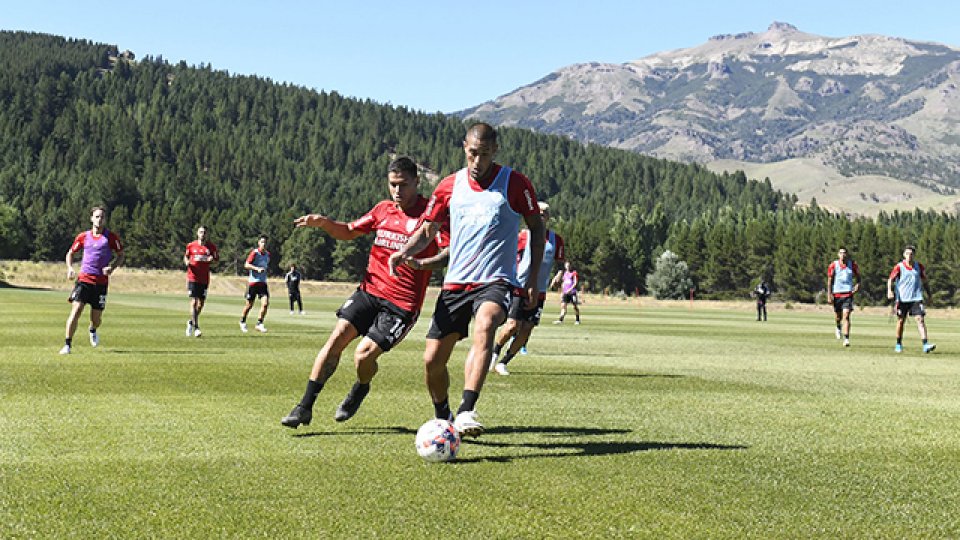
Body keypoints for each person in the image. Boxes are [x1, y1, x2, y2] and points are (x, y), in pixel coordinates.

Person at [390, 122, 544, 437]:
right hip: (456, 283)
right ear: (464, 147)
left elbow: (537, 230)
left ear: (495, 151)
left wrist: (530, 279)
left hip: (495, 280)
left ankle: (466, 409)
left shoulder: (514, 183)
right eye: (473, 153)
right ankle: (444, 415)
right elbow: (426, 231)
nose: (477, 162)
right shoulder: (448, 186)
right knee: (432, 361)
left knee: (486, 323)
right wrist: (403, 252)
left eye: (484, 155)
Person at [282, 157, 448, 429]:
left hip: (401, 304)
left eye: (403, 185)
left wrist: (421, 264)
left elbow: (446, 254)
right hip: (369, 292)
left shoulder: (430, 217)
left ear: (417, 182)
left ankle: (361, 386)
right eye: (392, 185)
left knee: (362, 356)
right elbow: (348, 232)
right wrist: (324, 223)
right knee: (336, 339)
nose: (397, 191)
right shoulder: (383, 210)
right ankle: (304, 407)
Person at [490, 201, 564, 376]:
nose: (541, 215)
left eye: (544, 213)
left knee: (527, 328)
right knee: (512, 326)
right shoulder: (524, 235)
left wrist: (559, 275)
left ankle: (504, 362)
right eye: (537, 212)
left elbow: (561, 263)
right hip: (519, 286)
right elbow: (507, 254)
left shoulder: (556, 240)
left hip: (539, 291)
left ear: (548, 217)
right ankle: (494, 353)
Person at [60, 206, 124, 354]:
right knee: (76, 311)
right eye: (96, 216)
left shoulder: (111, 238)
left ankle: (93, 329)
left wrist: (112, 268)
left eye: (102, 217)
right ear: (91, 218)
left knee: (96, 319)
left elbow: (121, 255)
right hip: (84, 280)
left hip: (100, 284)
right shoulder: (83, 237)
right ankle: (67, 345)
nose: (99, 219)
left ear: (105, 219)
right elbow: (70, 253)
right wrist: (70, 268)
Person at [887, 245, 936, 353]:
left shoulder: (919, 267)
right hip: (902, 299)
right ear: (904, 255)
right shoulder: (899, 267)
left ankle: (925, 344)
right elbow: (890, 279)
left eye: (911, 254)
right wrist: (889, 291)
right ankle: (898, 344)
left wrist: (929, 295)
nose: (909, 256)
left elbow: (925, 281)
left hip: (916, 298)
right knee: (901, 321)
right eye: (907, 253)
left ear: (914, 255)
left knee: (920, 319)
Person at [184, 225, 219, 337]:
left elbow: (216, 260)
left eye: (204, 232)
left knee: (201, 304)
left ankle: (191, 322)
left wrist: (212, 260)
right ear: (197, 233)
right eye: (200, 232)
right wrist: (187, 262)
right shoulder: (191, 246)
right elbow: (186, 256)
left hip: (204, 279)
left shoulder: (211, 247)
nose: (202, 234)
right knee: (194, 302)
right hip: (193, 277)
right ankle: (196, 327)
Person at [826, 247, 860, 346]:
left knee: (846, 315)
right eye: (841, 253)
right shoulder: (834, 265)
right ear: (838, 254)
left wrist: (857, 285)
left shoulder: (852, 265)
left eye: (844, 253)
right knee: (838, 316)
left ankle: (846, 338)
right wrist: (829, 294)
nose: (843, 255)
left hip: (848, 294)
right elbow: (829, 280)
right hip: (837, 294)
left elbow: (858, 277)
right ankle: (838, 327)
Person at [240, 235, 271, 333]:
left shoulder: (267, 255)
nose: (264, 244)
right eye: (262, 242)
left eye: (265, 242)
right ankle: (242, 321)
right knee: (249, 305)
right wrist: (256, 269)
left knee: (265, 304)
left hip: (262, 283)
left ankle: (259, 323)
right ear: (258, 243)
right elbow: (246, 264)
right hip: (253, 283)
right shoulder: (254, 253)